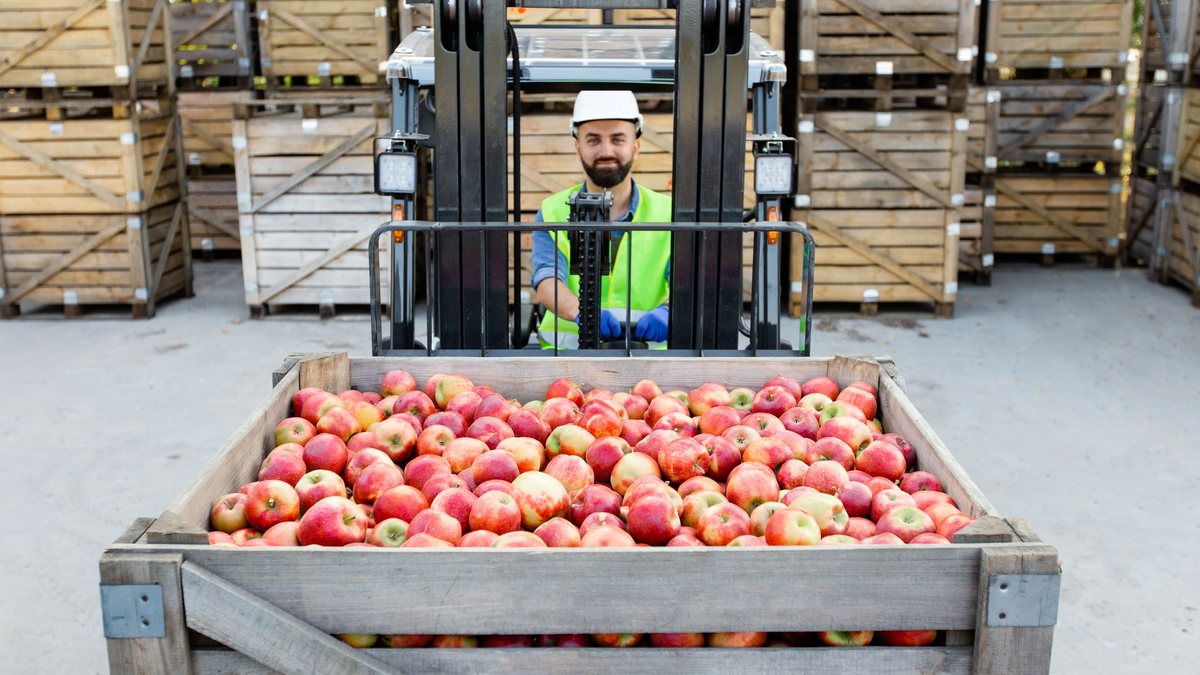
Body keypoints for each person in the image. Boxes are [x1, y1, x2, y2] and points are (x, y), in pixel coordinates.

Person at [531, 90, 673, 349]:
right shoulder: (552, 211)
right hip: (565, 358)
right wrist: (581, 313)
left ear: (635, 147)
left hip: (649, 359)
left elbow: (687, 284)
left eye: (617, 139)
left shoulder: (669, 213)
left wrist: (671, 311)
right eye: (593, 140)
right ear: (578, 148)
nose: (606, 151)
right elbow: (547, 278)